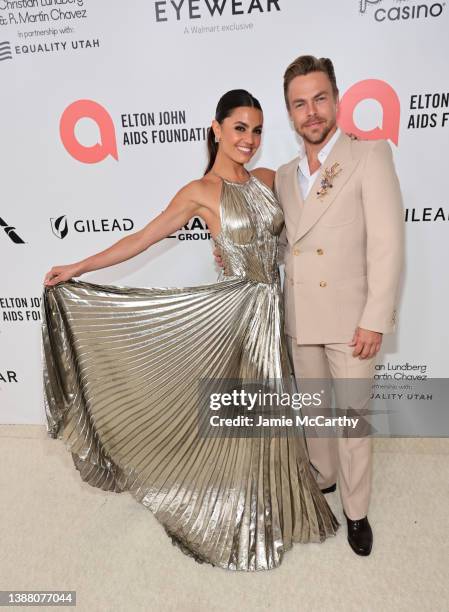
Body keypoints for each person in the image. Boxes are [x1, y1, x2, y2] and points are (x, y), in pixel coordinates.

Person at [41, 89, 338, 572]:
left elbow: (311, 216)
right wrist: (79, 265)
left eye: (257, 129)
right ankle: (243, 509)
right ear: (217, 129)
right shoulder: (199, 192)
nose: (249, 139)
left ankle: (278, 496)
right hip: (236, 316)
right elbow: (142, 239)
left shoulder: (267, 179)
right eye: (240, 128)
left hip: (275, 311)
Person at [272, 56, 404, 556]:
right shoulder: (285, 176)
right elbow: (292, 245)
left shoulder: (370, 156)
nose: (312, 112)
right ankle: (323, 478)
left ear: (337, 99)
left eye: (320, 98)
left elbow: (388, 246)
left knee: (352, 421)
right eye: (300, 104)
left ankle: (356, 512)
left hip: (352, 323)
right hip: (301, 317)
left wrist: (375, 319)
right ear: (290, 113)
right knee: (313, 413)